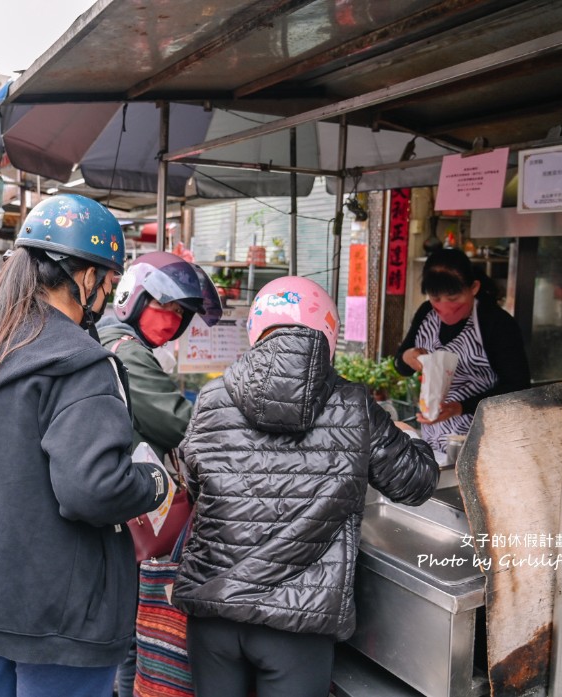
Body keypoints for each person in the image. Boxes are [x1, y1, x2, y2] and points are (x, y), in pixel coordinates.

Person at [0, 193, 171, 697]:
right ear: (86, 276)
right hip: (56, 611)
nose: (107, 295)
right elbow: (93, 490)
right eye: (110, 281)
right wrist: (153, 481)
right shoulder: (80, 363)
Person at [172, 276, 440, 697]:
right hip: (296, 625)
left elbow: (193, 482)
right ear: (327, 333)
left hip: (214, 614)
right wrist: (413, 437)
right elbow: (416, 482)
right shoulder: (354, 405)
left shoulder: (211, 398)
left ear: (257, 331)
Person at [96, 251, 223, 697]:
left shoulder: (114, 339)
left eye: (180, 314)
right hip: (126, 510)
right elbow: (178, 423)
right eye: (162, 307)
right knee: (135, 633)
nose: (171, 322)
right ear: (134, 298)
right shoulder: (125, 350)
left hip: (115, 503)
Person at [394, 247, 531, 452]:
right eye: (436, 299)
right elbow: (401, 366)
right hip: (434, 438)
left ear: (474, 288)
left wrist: (461, 407)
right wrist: (407, 357)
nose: (445, 308)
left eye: (454, 299)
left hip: (484, 441)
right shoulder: (425, 313)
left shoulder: (495, 323)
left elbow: (517, 385)